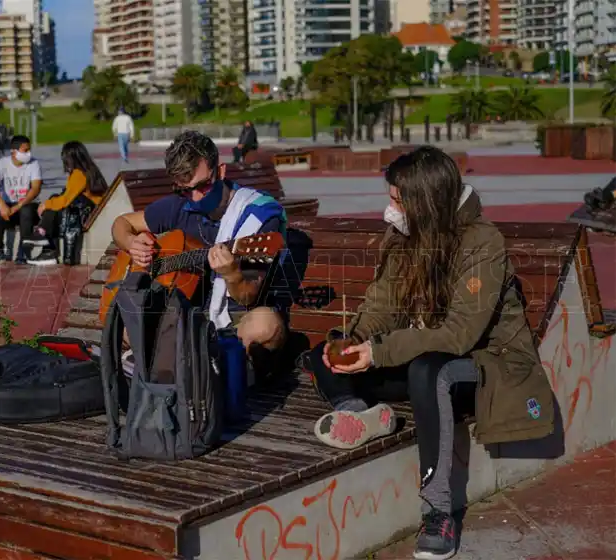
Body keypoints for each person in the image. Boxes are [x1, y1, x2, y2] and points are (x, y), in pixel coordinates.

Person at [306, 146, 555, 560]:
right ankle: (361, 414)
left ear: (425, 202)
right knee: (324, 353)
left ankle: (438, 509)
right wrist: (356, 341)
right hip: (425, 353)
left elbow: (460, 335)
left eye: (396, 201)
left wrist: (379, 351)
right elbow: (382, 303)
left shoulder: (482, 242)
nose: (390, 209)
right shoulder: (408, 237)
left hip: (484, 368)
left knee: (428, 371)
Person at [110, 130, 288, 378]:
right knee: (124, 324)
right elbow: (121, 224)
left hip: (234, 319)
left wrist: (233, 274)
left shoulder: (256, 218)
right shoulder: (180, 204)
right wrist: (131, 243)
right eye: (184, 189)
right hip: (183, 319)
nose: (194, 198)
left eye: (203, 186)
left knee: (266, 323)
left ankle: (201, 370)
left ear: (221, 171)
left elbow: (248, 297)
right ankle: (191, 368)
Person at [24, 141, 108, 266]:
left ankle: (44, 238)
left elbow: (65, 200)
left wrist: (46, 204)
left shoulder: (79, 174)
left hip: (86, 214)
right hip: (92, 210)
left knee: (55, 203)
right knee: (55, 201)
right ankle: (45, 243)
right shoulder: (90, 170)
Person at [0, 135, 43, 265]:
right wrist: (1, 204)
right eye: (25, 150)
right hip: (9, 206)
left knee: (26, 211)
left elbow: (35, 188)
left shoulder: (34, 163)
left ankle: (23, 251)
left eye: (29, 150)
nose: (28, 153)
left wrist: (17, 206)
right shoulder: (2, 163)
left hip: (27, 204)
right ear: (13, 151)